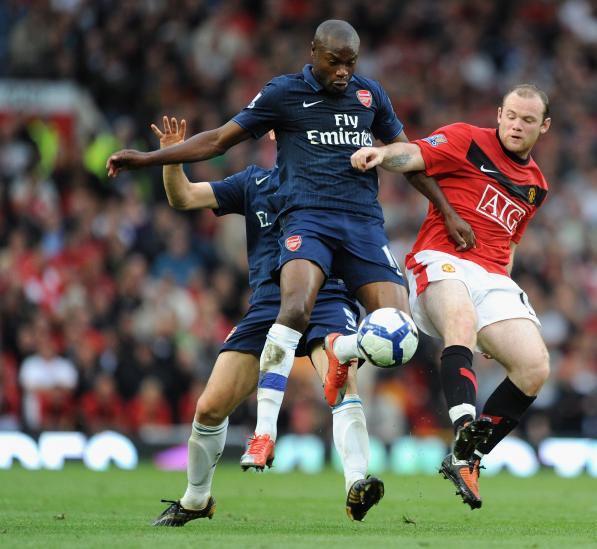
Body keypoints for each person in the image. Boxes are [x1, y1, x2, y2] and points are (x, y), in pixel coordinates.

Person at [105, 22, 475, 440]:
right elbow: (216, 145)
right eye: (334, 62)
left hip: (362, 229)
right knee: (283, 321)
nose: (343, 73)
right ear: (313, 52)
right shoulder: (277, 112)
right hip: (301, 242)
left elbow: (408, 156)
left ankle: (343, 363)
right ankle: (261, 437)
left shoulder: (370, 95)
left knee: (400, 331)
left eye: (350, 63)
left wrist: (446, 210)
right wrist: (151, 158)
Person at [148, 117, 382, 526]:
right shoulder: (253, 183)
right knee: (209, 407)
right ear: (275, 133)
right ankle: (196, 498)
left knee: (342, 384)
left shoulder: (338, 185)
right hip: (268, 304)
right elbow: (183, 197)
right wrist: (173, 156)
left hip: (327, 299)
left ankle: (356, 484)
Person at [350, 84, 552, 510]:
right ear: (499, 113)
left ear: (543, 127)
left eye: (528, 120)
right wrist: (382, 154)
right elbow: (415, 155)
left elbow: (510, 245)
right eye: (512, 115)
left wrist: (497, 316)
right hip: (442, 258)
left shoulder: (536, 186)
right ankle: (463, 425)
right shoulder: (467, 139)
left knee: (534, 367)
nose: (517, 125)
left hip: (494, 277)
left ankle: (467, 457)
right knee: (460, 321)